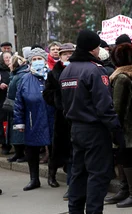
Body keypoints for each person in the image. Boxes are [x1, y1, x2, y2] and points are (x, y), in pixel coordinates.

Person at [59, 29, 124, 214]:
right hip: (95, 130)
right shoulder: (95, 71)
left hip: (76, 129)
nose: (98, 51)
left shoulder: (67, 71)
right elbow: (104, 106)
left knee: (78, 174)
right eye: (96, 47)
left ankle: (75, 210)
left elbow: (64, 103)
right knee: (98, 175)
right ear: (91, 49)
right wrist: (116, 130)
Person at [106, 42, 132, 208]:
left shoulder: (122, 78)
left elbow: (118, 107)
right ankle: (125, 190)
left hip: (126, 126)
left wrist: (113, 127)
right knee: (123, 158)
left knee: (126, 159)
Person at [13, 48, 55, 191]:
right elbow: (19, 103)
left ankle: (52, 176)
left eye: (40, 59)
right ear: (30, 62)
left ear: (45, 60)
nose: (37, 62)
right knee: (32, 150)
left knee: (53, 148)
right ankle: (34, 179)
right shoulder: (25, 79)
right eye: (34, 59)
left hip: (52, 118)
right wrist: (19, 122)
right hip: (33, 119)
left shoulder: (52, 76)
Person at [43, 43, 75, 199]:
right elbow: (47, 93)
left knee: (76, 152)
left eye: (70, 53)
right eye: (64, 54)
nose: (68, 56)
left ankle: (75, 185)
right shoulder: (54, 73)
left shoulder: (79, 69)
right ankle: (58, 178)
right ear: (60, 56)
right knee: (62, 151)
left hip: (78, 117)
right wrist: (58, 101)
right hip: (62, 118)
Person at [5, 55, 29, 163]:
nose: (9, 65)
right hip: (13, 107)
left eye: (10, 63)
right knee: (14, 131)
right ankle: (18, 153)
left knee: (19, 131)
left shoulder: (20, 76)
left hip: (17, 107)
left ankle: (23, 154)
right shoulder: (16, 75)